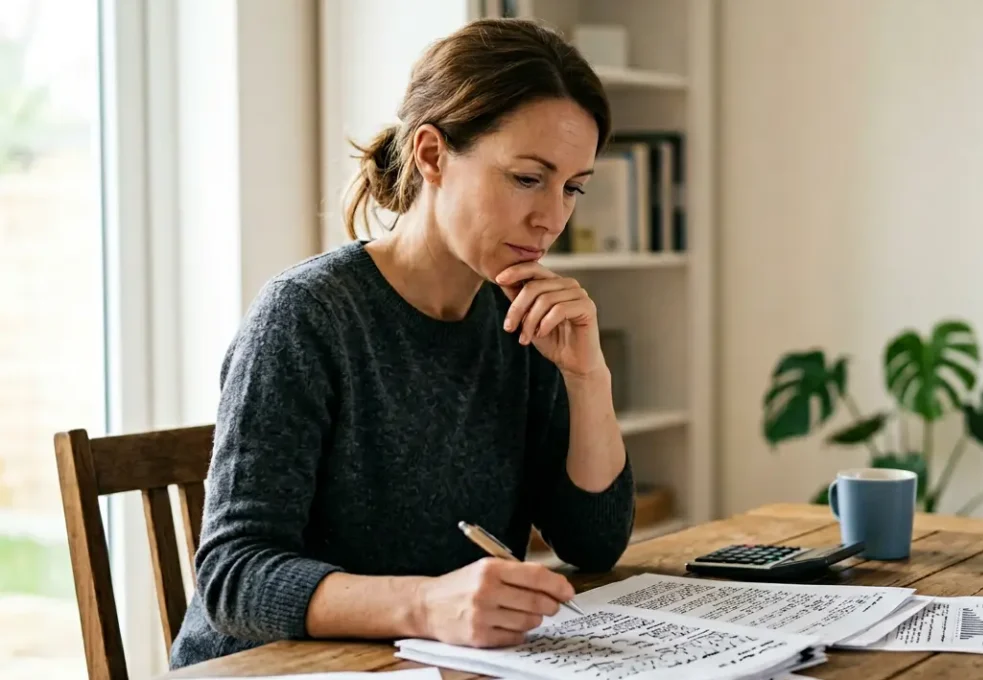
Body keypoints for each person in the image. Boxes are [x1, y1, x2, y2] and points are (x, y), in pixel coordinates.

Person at [169, 17, 635, 669]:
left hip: (425, 664)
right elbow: (233, 578)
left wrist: (589, 381)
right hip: (272, 666)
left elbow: (594, 544)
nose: (552, 216)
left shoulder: (520, 317)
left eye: (573, 187)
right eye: (528, 178)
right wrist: (426, 605)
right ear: (432, 154)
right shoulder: (307, 314)